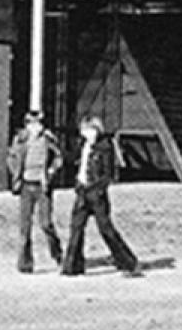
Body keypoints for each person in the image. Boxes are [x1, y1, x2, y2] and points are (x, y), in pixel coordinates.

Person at [61, 116, 143, 277]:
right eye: (84, 130)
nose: (87, 134)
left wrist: (97, 189)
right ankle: (72, 265)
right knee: (76, 228)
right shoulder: (83, 145)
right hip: (82, 191)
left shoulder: (105, 147)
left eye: (90, 130)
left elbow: (108, 175)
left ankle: (128, 262)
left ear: (97, 130)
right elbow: (72, 159)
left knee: (106, 229)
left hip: (96, 194)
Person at [5, 109, 65, 273]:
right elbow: (11, 157)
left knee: (46, 223)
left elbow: (58, 157)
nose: (35, 127)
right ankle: (25, 263)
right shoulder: (20, 139)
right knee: (24, 226)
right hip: (26, 185)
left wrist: (51, 171)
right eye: (31, 124)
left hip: (42, 185)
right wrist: (16, 172)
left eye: (38, 124)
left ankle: (58, 254)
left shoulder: (48, 139)